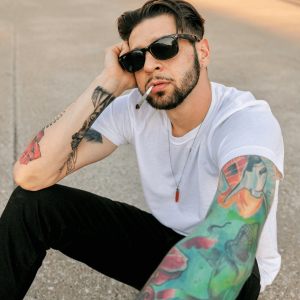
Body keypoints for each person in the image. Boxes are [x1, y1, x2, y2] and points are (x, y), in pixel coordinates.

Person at [0, 0, 284, 299]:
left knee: (218, 257)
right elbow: (30, 175)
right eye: (136, 59)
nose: (149, 65)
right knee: (33, 205)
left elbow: (232, 238)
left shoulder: (245, 121)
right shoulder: (136, 111)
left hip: (234, 264)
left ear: (202, 52)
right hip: (166, 243)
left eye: (164, 47)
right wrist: (108, 82)